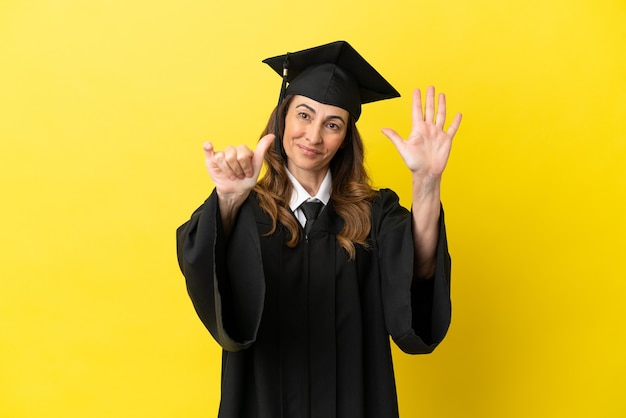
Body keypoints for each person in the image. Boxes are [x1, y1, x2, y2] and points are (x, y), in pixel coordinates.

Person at [176, 40, 462, 418]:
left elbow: (420, 269)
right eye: (305, 116)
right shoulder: (246, 209)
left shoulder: (372, 214)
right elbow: (203, 269)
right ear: (282, 118)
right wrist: (228, 201)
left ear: (345, 139)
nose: (313, 137)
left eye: (332, 124)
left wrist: (426, 183)